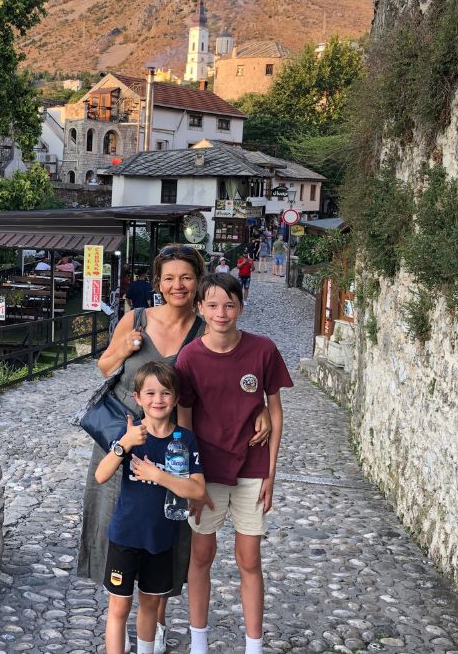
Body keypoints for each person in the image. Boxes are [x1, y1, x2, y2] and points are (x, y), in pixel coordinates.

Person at [79, 244, 271, 653]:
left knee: (167, 531)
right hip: (125, 439)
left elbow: (228, 381)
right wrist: (123, 348)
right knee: (118, 523)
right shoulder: (136, 318)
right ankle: (118, 616)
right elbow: (104, 367)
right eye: (169, 278)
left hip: (175, 445)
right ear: (158, 282)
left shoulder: (205, 328)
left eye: (186, 277)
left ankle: (156, 625)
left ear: (198, 281)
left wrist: (263, 411)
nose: (177, 285)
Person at [175, 273, 290, 654]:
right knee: (201, 556)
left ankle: (253, 646)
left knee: (249, 559)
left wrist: (271, 475)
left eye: (229, 304)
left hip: (252, 469)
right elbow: (184, 417)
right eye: (212, 305)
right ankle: (199, 642)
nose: (221, 312)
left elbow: (275, 410)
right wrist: (191, 475)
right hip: (206, 472)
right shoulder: (189, 357)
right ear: (200, 309)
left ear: (241, 306)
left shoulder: (263, 350)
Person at [95, 361, 205, 654]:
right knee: (118, 606)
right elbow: (101, 475)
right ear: (138, 397)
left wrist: (158, 476)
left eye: (166, 393)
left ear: (176, 398)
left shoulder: (184, 439)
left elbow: (196, 489)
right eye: (151, 393)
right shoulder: (130, 434)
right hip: (126, 536)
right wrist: (124, 445)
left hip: (161, 538)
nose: (158, 400)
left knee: (150, 604)